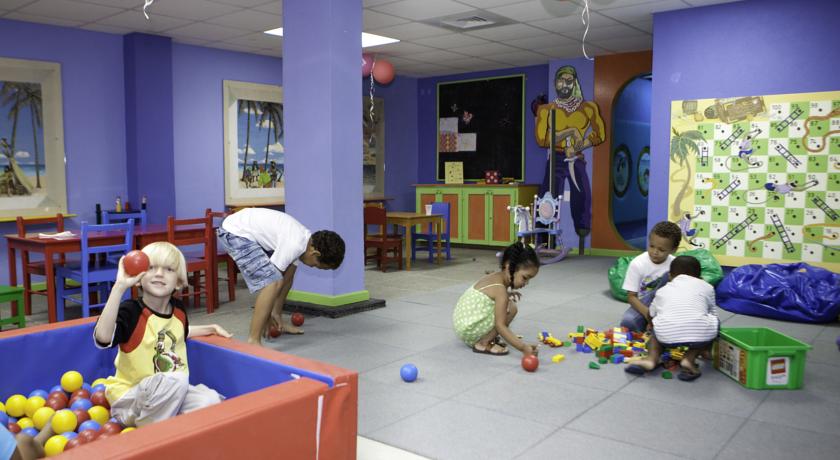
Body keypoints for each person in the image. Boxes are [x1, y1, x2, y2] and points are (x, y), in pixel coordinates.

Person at [93, 242, 232, 427]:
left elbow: (178, 333)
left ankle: (169, 430)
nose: (159, 274)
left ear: (180, 281)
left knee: (209, 400)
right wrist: (119, 287)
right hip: (129, 399)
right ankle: (149, 437)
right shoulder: (132, 311)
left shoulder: (179, 311)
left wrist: (210, 328)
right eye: (151, 268)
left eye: (168, 269)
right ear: (139, 277)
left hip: (169, 394)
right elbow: (102, 338)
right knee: (176, 378)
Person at [217, 207, 345, 345]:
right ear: (315, 254)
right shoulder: (295, 244)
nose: (313, 267)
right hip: (234, 232)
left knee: (281, 277)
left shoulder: (305, 242)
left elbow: (287, 278)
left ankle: (275, 317)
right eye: (317, 265)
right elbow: (271, 283)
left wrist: (275, 313)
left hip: (244, 230)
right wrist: (265, 318)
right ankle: (253, 340)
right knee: (272, 283)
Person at [534, 66, 605, 247]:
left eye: (568, 80)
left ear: (574, 83)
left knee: (582, 195)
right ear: (555, 82)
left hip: (576, 158)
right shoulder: (546, 110)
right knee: (546, 197)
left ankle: (582, 239)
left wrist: (581, 144)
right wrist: (569, 132)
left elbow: (599, 135)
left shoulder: (588, 108)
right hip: (555, 158)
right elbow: (542, 140)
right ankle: (543, 241)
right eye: (560, 80)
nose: (564, 84)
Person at [625, 255, 719, 381]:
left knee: (656, 329)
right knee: (711, 323)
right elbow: (712, 313)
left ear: (670, 276)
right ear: (699, 277)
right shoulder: (708, 287)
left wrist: (651, 325)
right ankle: (690, 359)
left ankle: (651, 359)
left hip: (666, 335)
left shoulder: (662, 291)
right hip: (699, 335)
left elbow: (651, 314)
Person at [452, 242, 540, 357]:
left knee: (506, 304)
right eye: (525, 277)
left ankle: (485, 337)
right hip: (470, 330)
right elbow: (500, 326)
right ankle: (484, 342)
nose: (526, 283)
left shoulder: (495, 277)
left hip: (463, 323)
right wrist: (523, 348)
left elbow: (487, 295)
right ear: (509, 267)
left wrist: (507, 295)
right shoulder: (500, 291)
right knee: (511, 308)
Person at [620, 221, 682, 332]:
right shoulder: (637, 263)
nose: (655, 252)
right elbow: (631, 297)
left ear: (674, 250)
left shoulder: (676, 264)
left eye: (661, 250)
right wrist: (649, 315)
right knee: (628, 322)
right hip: (643, 306)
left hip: (666, 306)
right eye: (651, 246)